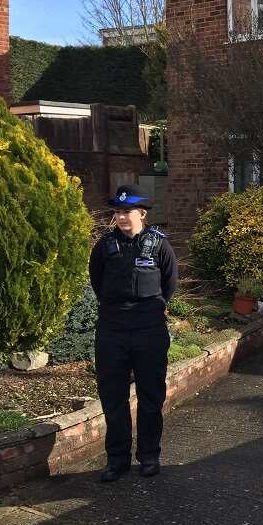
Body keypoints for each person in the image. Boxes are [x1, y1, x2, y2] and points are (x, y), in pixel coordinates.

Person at [88, 184, 177, 482]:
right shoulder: (105, 245)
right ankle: (117, 459)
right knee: (113, 397)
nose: (121, 217)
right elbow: (97, 281)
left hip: (148, 329)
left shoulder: (159, 245)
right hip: (112, 329)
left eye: (127, 212)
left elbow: (169, 284)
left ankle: (149, 456)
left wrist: (150, 310)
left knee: (151, 396)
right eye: (117, 212)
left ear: (142, 213)